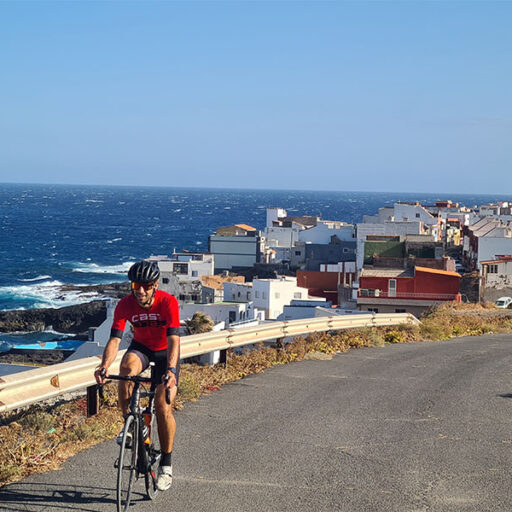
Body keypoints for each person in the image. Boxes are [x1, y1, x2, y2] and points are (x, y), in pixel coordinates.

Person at [94, 260, 180, 491]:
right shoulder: (125, 304)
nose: (139, 290)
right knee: (126, 371)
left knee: (163, 407)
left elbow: (174, 339)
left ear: (154, 285)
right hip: (141, 348)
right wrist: (104, 365)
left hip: (165, 353)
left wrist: (171, 370)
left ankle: (166, 466)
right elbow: (115, 338)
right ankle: (131, 425)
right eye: (135, 285)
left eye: (145, 285)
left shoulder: (168, 302)